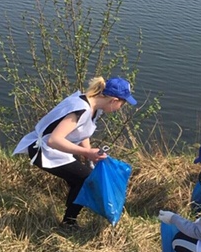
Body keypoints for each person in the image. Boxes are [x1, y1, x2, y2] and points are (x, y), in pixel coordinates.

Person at [13, 77, 137, 229]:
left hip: (57, 150)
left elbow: (83, 132)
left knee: (82, 178)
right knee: (86, 179)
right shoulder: (81, 109)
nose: (120, 108)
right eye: (122, 104)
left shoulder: (94, 107)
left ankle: (69, 215)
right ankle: (69, 222)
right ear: (114, 100)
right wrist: (87, 152)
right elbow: (54, 140)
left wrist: (89, 156)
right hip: (43, 151)